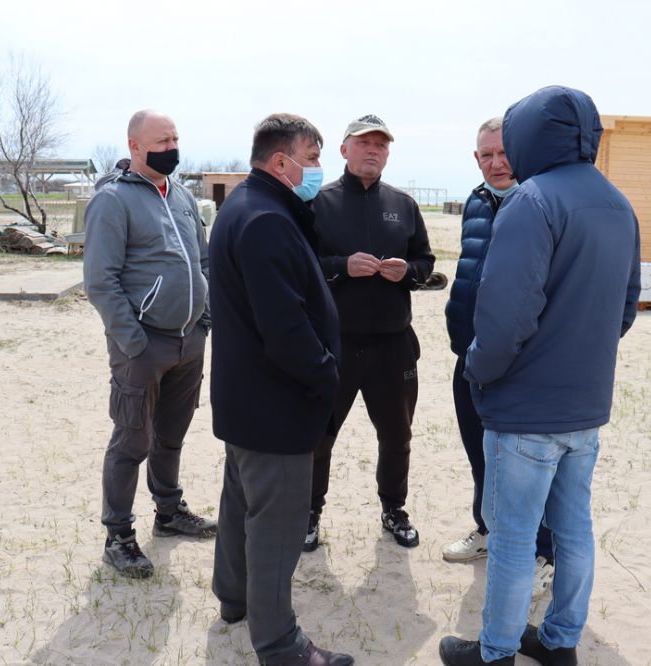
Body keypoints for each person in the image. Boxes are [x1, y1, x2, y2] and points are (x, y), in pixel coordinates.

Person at [439, 86, 641, 666]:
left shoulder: (532, 201)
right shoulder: (616, 203)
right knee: (574, 529)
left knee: (512, 538)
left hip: (525, 409)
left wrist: (478, 369)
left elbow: (504, 318)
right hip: (585, 406)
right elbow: (626, 305)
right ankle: (559, 642)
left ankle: (496, 651)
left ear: (529, 135)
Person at [209, 113, 354, 666]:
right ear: (280, 162)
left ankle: (233, 597)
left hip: (248, 402)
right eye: (312, 159)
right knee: (278, 524)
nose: (318, 169)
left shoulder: (246, 207)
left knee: (241, 502)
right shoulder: (266, 218)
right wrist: (325, 376)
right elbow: (285, 326)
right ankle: (280, 644)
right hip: (277, 404)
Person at [83, 109, 216, 579]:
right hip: (143, 346)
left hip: (189, 342)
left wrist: (203, 319)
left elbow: (202, 261)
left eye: (176, 137)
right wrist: (133, 340)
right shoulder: (112, 201)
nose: (172, 146)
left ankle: (169, 512)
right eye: (162, 139)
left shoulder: (181, 196)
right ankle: (118, 535)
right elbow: (101, 281)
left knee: (171, 435)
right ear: (135, 145)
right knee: (131, 439)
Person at [305, 114, 435, 551]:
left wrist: (408, 272)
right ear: (344, 150)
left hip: (392, 344)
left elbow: (426, 263)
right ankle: (310, 511)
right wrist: (341, 267)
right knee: (319, 435)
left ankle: (394, 509)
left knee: (397, 437)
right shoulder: (318, 204)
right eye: (364, 143)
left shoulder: (403, 204)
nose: (373, 150)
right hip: (335, 345)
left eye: (381, 144)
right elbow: (301, 268)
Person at [442, 118, 555, 597]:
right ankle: (487, 531)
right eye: (486, 155)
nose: (496, 163)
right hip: (470, 357)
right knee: (480, 455)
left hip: (521, 364)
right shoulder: (475, 200)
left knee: (529, 468)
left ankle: (542, 556)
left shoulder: (542, 203)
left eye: (503, 153)